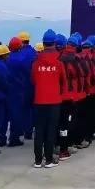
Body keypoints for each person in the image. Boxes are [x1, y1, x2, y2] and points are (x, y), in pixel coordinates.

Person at [31, 31, 66, 168]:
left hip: (39, 100)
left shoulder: (36, 62)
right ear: (55, 43)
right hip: (54, 101)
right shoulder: (58, 62)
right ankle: (49, 160)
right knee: (51, 130)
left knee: (39, 130)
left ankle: (38, 160)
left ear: (44, 43)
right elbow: (63, 80)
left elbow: (33, 80)